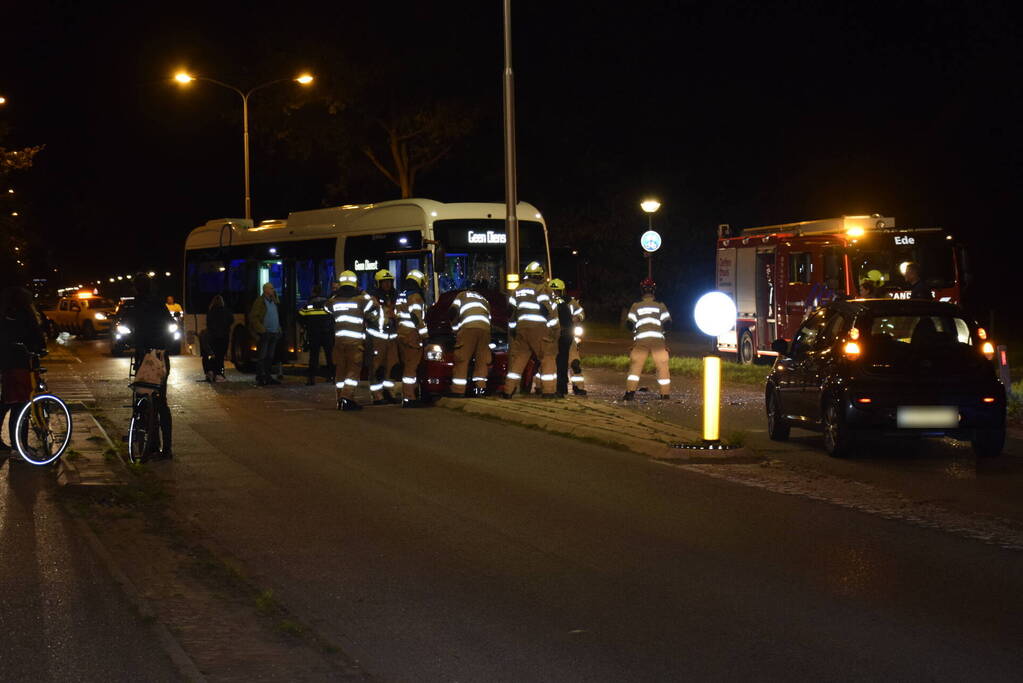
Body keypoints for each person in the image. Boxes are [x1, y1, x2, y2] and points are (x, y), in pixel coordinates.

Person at [122, 274, 176, 459]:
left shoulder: (135, 305)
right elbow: (171, 324)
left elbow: (128, 328)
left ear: (136, 288)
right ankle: (167, 448)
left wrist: (132, 341)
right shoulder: (159, 304)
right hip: (160, 356)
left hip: (144, 357)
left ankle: (150, 442)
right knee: (161, 402)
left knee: (143, 398)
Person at [0, 286, 46, 456]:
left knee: (8, 402)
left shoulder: (5, 314)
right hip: (21, 364)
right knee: (21, 406)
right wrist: (40, 348)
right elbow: (36, 337)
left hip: (6, 364)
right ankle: (20, 448)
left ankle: (16, 446)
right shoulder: (26, 315)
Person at [502, 261, 559, 398]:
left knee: (519, 359)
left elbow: (510, 312)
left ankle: (508, 390)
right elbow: (546, 310)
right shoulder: (542, 289)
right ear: (540, 275)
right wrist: (555, 328)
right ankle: (549, 391)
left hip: (522, 329)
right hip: (539, 329)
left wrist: (513, 329)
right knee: (548, 357)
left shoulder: (518, 290)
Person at [328, 271, 376, 411]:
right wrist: (363, 292)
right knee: (353, 371)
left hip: (339, 342)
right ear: (355, 284)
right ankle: (347, 397)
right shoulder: (361, 300)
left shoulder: (334, 301)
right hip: (355, 342)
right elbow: (373, 305)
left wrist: (336, 293)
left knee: (340, 371)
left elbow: (327, 307)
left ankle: (340, 400)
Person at [623, 278, 672, 401]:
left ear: (642, 291)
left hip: (641, 341)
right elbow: (668, 324)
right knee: (662, 366)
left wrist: (636, 332)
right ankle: (665, 394)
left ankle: (630, 393)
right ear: (654, 291)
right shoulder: (660, 305)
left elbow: (629, 324)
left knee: (635, 366)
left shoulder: (636, 306)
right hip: (658, 342)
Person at [447, 279, 492, 397]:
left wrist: (455, 329)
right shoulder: (484, 299)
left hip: (468, 328)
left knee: (462, 358)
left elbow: (453, 311)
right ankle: (480, 389)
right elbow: (489, 318)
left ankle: (458, 390)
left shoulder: (462, 295)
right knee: (482, 360)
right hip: (485, 329)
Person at [395, 269, 428, 407]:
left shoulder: (401, 295)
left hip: (401, 333)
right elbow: (416, 317)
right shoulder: (415, 296)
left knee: (407, 365)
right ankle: (409, 398)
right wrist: (425, 334)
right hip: (411, 335)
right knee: (411, 367)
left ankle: (411, 394)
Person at [549, 279, 587, 396]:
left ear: (563, 291)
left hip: (568, 335)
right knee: (549, 362)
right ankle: (545, 386)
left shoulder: (571, 302)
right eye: (553, 291)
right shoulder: (547, 302)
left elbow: (581, 312)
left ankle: (578, 387)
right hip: (552, 336)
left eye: (557, 291)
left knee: (574, 362)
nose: (555, 293)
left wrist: (578, 318)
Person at [368, 269, 401, 404]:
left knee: (391, 366)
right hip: (377, 337)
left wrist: (395, 314)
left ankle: (389, 392)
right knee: (376, 366)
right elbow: (369, 315)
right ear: (378, 283)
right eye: (384, 282)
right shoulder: (372, 298)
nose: (387, 284)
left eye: (389, 282)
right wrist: (385, 314)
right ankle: (377, 395)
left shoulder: (395, 295)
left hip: (392, 336)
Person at [298, 284, 335, 385]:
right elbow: (333, 316)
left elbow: (300, 315)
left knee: (314, 356)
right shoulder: (327, 303)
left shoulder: (309, 304)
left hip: (314, 334)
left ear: (313, 292)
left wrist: (305, 325)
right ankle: (331, 376)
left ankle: (311, 378)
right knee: (329, 355)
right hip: (327, 333)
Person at [248, 282, 282, 386]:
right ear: (266, 290)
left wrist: (278, 329)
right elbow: (254, 318)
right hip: (265, 333)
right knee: (262, 356)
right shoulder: (260, 301)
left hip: (274, 332)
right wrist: (262, 330)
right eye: (271, 288)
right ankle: (261, 376)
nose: (273, 290)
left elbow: (275, 316)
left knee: (270, 356)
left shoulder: (274, 301)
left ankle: (267, 376)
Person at [203, 295, 234, 382]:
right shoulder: (226, 311)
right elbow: (231, 320)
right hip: (224, 337)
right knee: (220, 356)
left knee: (214, 355)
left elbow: (208, 324)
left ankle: (211, 373)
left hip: (213, 337)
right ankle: (219, 374)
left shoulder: (210, 312)